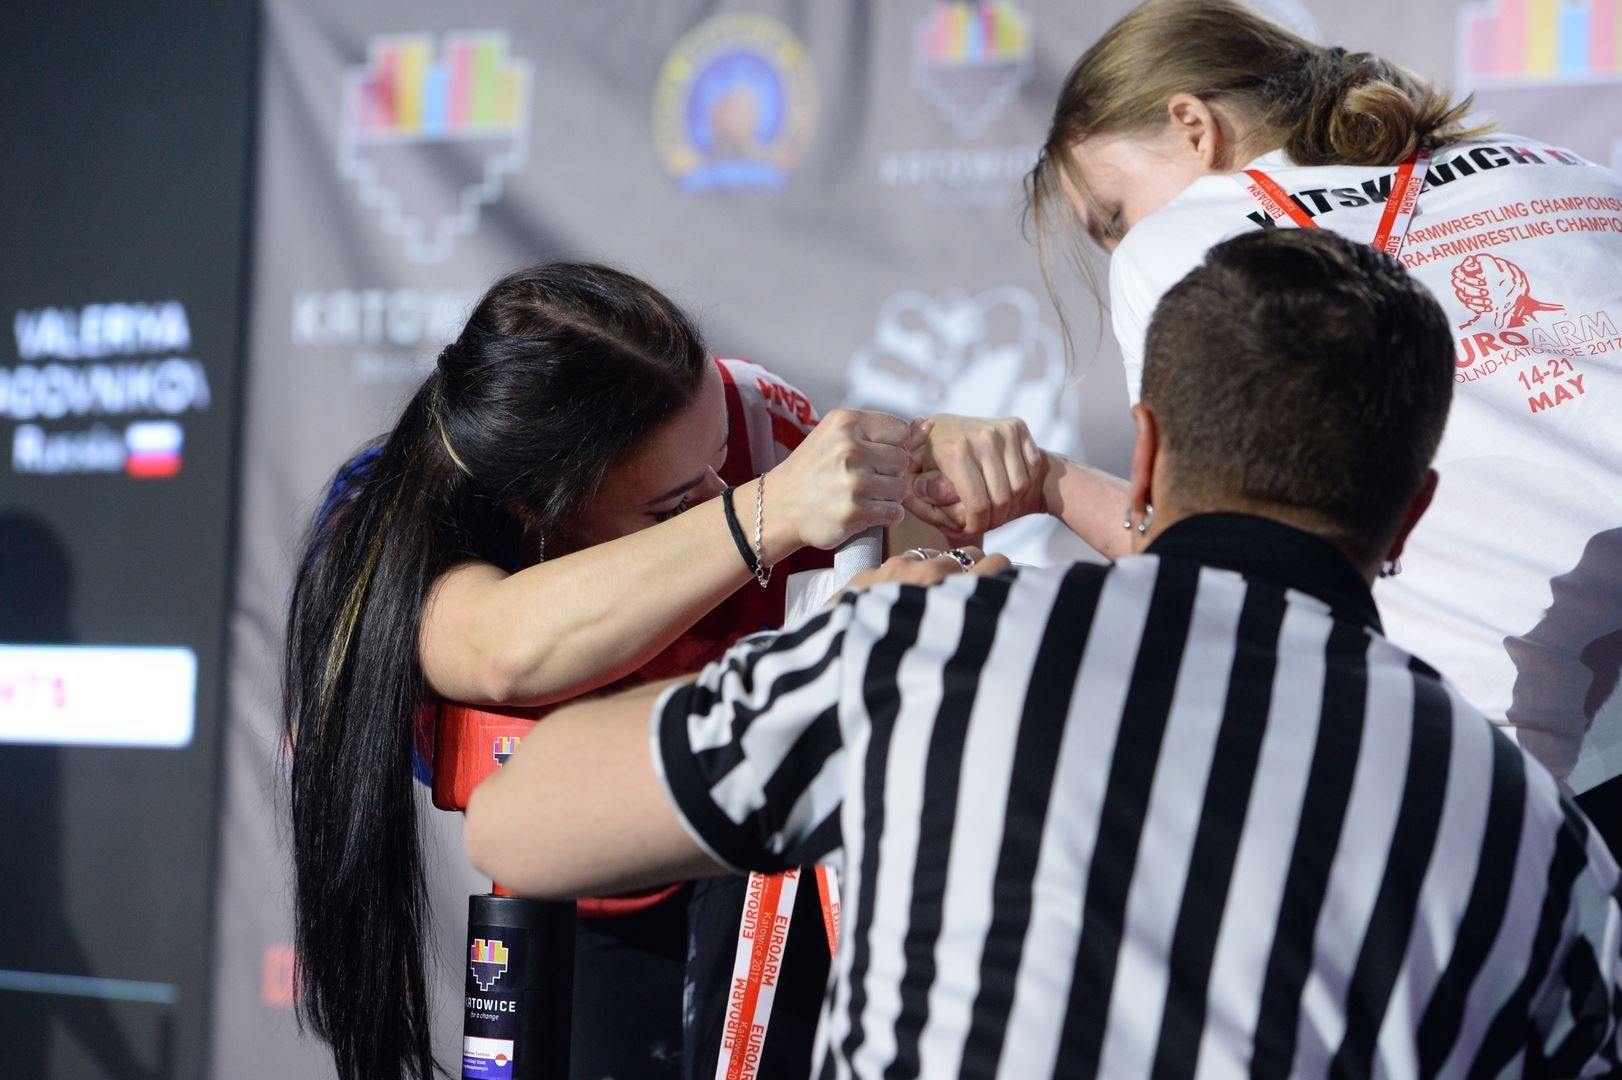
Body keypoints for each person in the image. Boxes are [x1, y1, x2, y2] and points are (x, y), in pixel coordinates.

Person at [464, 229, 1622, 1078]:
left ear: (1148, 448)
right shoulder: (1528, 832)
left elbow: (519, 821)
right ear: (1408, 512)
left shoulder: (924, 648)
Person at [909, 0, 1622, 845]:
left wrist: (1045, 490)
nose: (1116, 249)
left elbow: (1217, 557)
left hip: (1493, 786)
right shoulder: (1564, 168)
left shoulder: (1181, 246)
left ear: (1193, 126)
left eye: (1110, 216)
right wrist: (1051, 483)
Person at [284, 262, 946, 1080]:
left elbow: (906, 551)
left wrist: (943, 469)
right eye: (673, 507)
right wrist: (764, 512)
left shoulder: (748, 418)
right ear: (538, 508)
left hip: (738, 850)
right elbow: (499, 649)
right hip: (566, 880)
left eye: (722, 459)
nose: (719, 487)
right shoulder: (388, 522)